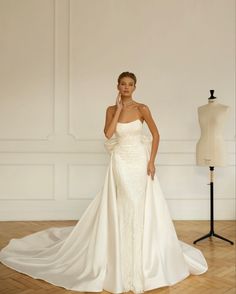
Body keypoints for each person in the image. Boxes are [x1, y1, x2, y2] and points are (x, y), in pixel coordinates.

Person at [0, 71, 208, 294]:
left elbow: (156, 135)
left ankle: (141, 257)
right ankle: (120, 254)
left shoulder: (142, 108)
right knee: (124, 200)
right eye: (123, 84)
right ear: (117, 86)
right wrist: (118, 109)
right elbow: (108, 135)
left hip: (139, 160)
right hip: (120, 160)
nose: (126, 87)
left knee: (138, 203)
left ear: (135, 87)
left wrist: (151, 161)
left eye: (130, 84)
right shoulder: (110, 110)